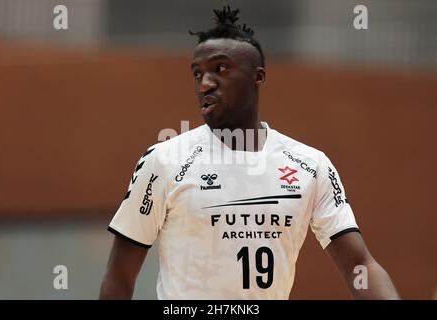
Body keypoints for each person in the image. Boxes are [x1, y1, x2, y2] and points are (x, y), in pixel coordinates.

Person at [99, 6, 399, 300]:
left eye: (220, 68)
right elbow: (120, 276)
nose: (205, 84)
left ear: (258, 76)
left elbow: (360, 265)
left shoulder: (310, 165)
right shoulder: (163, 160)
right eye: (197, 73)